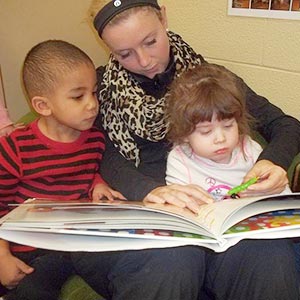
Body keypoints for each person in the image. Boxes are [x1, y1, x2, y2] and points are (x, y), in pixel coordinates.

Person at [70, 1, 300, 300]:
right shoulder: (100, 91)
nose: (144, 60)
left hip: (218, 219)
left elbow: (286, 125)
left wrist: (272, 162)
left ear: (164, 17)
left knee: (268, 254)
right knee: (173, 259)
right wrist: (151, 190)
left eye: (150, 41)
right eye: (124, 53)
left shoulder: (211, 82)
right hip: (148, 222)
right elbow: (103, 154)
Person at [0, 39, 124, 300]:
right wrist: (2, 256)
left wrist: (98, 184)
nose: (92, 104)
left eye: (94, 92)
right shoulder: (15, 148)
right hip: (28, 247)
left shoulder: (95, 140)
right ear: (43, 105)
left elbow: (88, 172)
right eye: (78, 96)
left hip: (72, 242)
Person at [165, 63, 291, 202]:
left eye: (228, 126)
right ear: (184, 134)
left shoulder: (249, 150)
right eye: (206, 132)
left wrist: (270, 187)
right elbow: (178, 207)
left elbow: (282, 197)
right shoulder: (180, 161)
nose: (220, 138)